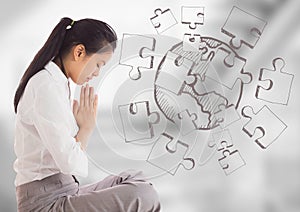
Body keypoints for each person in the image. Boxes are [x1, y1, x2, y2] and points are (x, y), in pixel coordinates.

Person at [13, 17, 161, 212]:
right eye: (99, 64)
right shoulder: (45, 86)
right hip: (45, 202)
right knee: (141, 195)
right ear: (79, 51)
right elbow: (70, 164)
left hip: (65, 189)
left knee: (134, 178)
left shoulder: (58, 83)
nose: (97, 73)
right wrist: (86, 128)